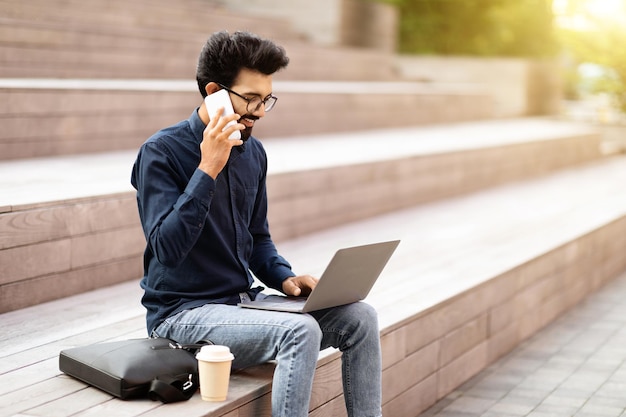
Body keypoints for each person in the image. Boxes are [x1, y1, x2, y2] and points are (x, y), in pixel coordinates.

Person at [130, 30, 383, 417]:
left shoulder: (254, 154)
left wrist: (285, 278)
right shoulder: (160, 153)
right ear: (213, 91)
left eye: (266, 100)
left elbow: (258, 239)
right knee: (300, 332)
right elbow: (167, 248)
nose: (260, 111)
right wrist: (208, 167)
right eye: (250, 99)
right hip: (181, 315)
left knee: (360, 317)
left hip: (243, 305)